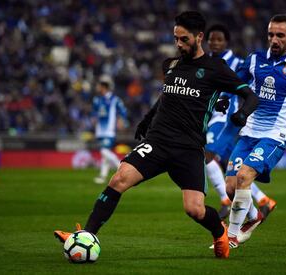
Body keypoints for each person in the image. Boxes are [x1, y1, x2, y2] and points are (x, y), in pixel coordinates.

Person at [54, 11, 258, 259]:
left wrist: (242, 114)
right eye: (176, 38)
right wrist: (147, 119)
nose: (178, 44)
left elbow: (250, 96)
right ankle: (86, 235)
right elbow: (167, 98)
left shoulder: (216, 68)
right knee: (119, 178)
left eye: (184, 39)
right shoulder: (172, 65)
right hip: (158, 141)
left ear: (199, 37)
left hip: (188, 148)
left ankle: (219, 232)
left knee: (194, 209)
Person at [225, 14, 286, 248]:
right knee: (230, 187)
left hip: (274, 135)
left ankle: (230, 238)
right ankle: (254, 216)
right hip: (249, 132)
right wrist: (224, 98)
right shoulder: (255, 60)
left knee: (244, 176)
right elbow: (234, 83)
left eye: (280, 35)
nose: (274, 40)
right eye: (271, 35)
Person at [205, 24, 277, 221]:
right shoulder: (206, 62)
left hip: (227, 117)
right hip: (211, 116)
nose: (215, 43)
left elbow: (250, 87)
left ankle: (225, 201)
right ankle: (263, 201)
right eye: (211, 39)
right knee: (232, 169)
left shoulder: (237, 63)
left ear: (226, 42)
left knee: (206, 154)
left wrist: (245, 112)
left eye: (219, 39)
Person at [92, 75, 128, 184]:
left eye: (99, 85)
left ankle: (121, 168)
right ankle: (103, 177)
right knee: (104, 155)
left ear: (104, 87)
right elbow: (94, 113)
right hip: (100, 131)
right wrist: (94, 119)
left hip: (109, 130)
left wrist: (121, 120)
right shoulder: (97, 100)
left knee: (104, 151)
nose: (97, 87)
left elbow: (123, 110)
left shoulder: (114, 99)